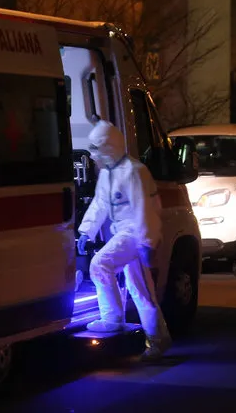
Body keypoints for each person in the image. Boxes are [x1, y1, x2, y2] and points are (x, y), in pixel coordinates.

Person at [77, 118, 171, 362]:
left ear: (109, 147)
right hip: (127, 233)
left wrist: (147, 242)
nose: (94, 155)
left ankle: (113, 319)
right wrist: (86, 231)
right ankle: (158, 342)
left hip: (134, 233)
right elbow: (99, 204)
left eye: (97, 149)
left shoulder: (134, 172)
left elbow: (145, 211)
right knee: (140, 290)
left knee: (100, 264)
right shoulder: (108, 174)